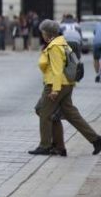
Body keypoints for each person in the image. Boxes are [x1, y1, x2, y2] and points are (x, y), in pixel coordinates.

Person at [29, 19, 101, 156]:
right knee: (70, 114)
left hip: (56, 84)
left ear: (47, 33)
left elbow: (57, 69)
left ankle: (45, 145)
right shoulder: (63, 43)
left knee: (44, 112)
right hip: (67, 84)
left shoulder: (54, 47)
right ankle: (94, 139)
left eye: (42, 32)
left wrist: (55, 90)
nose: (42, 35)